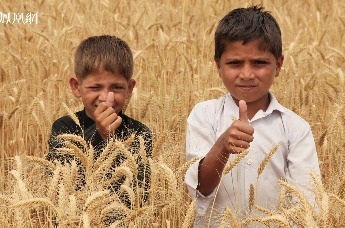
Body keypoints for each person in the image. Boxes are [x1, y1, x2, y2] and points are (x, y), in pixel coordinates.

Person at [185, 5, 320, 227]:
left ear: (279, 65)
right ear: (218, 64)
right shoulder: (204, 115)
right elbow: (200, 189)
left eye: (259, 63)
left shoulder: (295, 128)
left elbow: (306, 204)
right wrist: (222, 146)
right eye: (235, 63)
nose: (246, 74)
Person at [47, 35, 152, 208]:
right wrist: (99, 135)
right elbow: (63, 184)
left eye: (117, 87)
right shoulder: (64, 128)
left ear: (130, 88)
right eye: (95, 87)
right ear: (76, 86)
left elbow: (137, 194)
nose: (106, 98)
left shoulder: (139, 134)